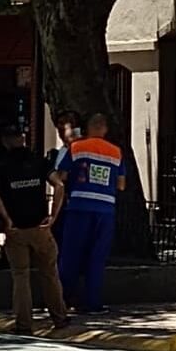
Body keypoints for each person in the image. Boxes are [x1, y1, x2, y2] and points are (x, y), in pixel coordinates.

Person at [0, 126, 69, 335]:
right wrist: (53, 216)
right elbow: (59, 185)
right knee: (50, 273)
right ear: (23, 139)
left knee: (21, 276)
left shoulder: (1, 166)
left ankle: (24, 324)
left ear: (5, 141)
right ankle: (59, 318)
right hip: (40, 227)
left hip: (16, 229)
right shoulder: (39, 162)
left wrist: (6, 218)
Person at [57, 113, 126, 314]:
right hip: (105, 210)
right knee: (97, 257)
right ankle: (92, 302)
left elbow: (62, 176)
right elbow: (121, 185)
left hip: (79, 206)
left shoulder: (77, 148)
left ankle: (61, 300)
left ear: (87, 128)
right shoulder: (116, 152)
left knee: (70, 254)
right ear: (104, 129)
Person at [47, 111, 82, 251]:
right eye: (58, 129)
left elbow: (63, 177)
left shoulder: (78, 149)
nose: (60, 134)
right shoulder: (60, 151)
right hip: (61, 200)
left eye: (63, 128)